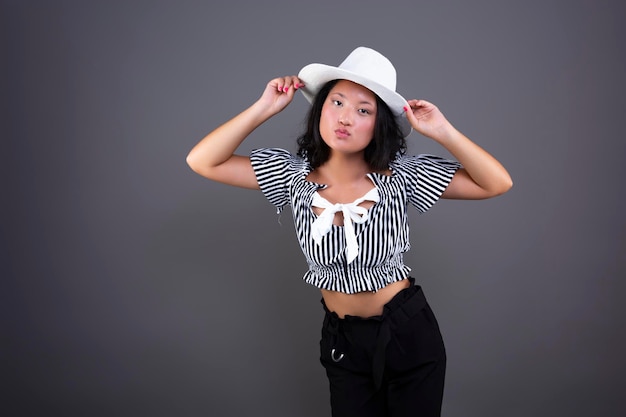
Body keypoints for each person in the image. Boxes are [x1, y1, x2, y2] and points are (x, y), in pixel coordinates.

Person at [186, 46, 512, 417]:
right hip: (342, 339)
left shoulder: (402, 176)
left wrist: (444, 132)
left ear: (379, 125)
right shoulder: (292, 177)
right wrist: (263, 108)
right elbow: (202, 161)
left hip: (407, 334)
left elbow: (496, 183)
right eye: (337, 102)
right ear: (320, 109)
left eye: (363, 110)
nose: (345, 118)